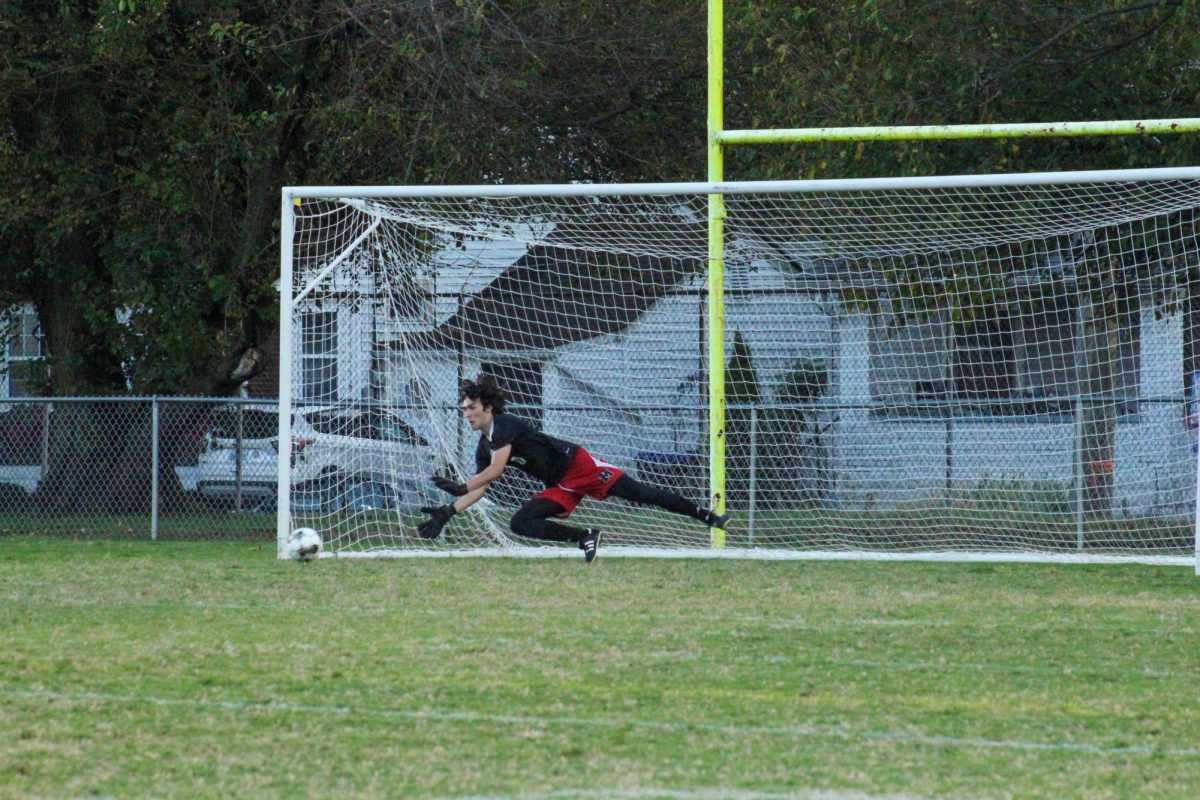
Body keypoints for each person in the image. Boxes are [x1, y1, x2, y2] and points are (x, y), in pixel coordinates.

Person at [417, 375, 729, 562]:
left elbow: (495, 471)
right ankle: (585, 537)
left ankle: (706, 516)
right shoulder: (484, 445)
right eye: (464, 410)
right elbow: (483, 485)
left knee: (641, 493)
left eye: (471, 408)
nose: (466, 414)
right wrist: (450, 510)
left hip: (579, 465)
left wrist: (463, 486)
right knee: (521, 522)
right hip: (560, 483)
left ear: (487, 407)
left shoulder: (505, 425)